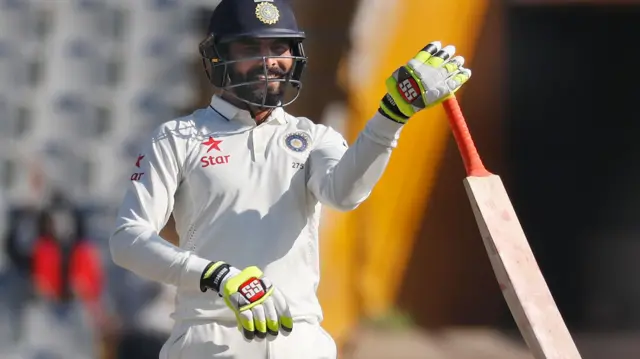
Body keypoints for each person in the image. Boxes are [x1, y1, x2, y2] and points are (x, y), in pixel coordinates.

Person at [109, 0, 472, 358]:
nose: (270, 61)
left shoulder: (314, 138)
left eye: (279, 46)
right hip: (210, 340)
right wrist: (218, 276)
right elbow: (128, 239)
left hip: (299, 341)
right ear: (218, 56)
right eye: (251, 47)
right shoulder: (178, 137)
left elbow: (343, 194)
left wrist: (392, 114)